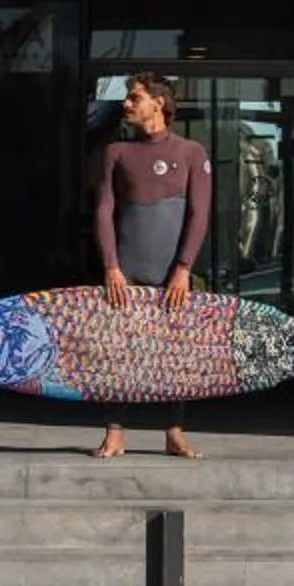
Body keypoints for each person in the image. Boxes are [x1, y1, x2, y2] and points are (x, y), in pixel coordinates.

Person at [92, 70, 211, 459]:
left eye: (135, 97)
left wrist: (183, 267)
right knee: (119, 352)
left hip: (171, 272)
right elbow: (104, 210)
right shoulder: (117, 152)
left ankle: (174, 431)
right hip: (125, 271)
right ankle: (114, 432)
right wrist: (111, 266)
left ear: (158, 103)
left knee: (173, 353)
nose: (126, 103)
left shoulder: (191, 152)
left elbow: (199, 214)